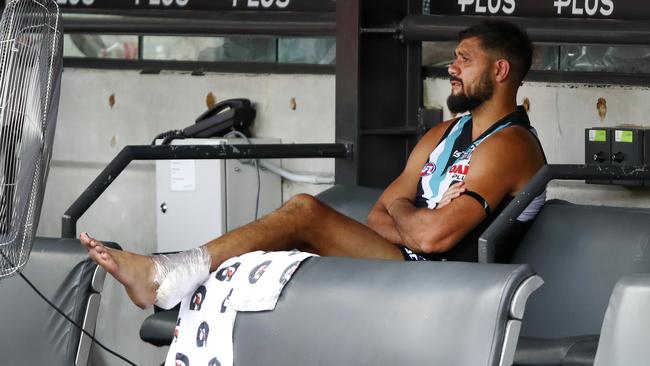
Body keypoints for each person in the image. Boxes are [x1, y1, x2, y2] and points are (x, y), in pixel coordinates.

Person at [80, 20, 546, 309]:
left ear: (500, 71)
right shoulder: (440, 135)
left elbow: (432, 236)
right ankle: (170, 280)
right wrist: (411, 219)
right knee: (282, 252)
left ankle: (167, 274)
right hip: (405, 262)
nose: (452, 68)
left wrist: (407, 217)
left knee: (303, 211)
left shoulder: (513, 145)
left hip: (449, 285)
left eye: (465, 60)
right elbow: (377, 216)